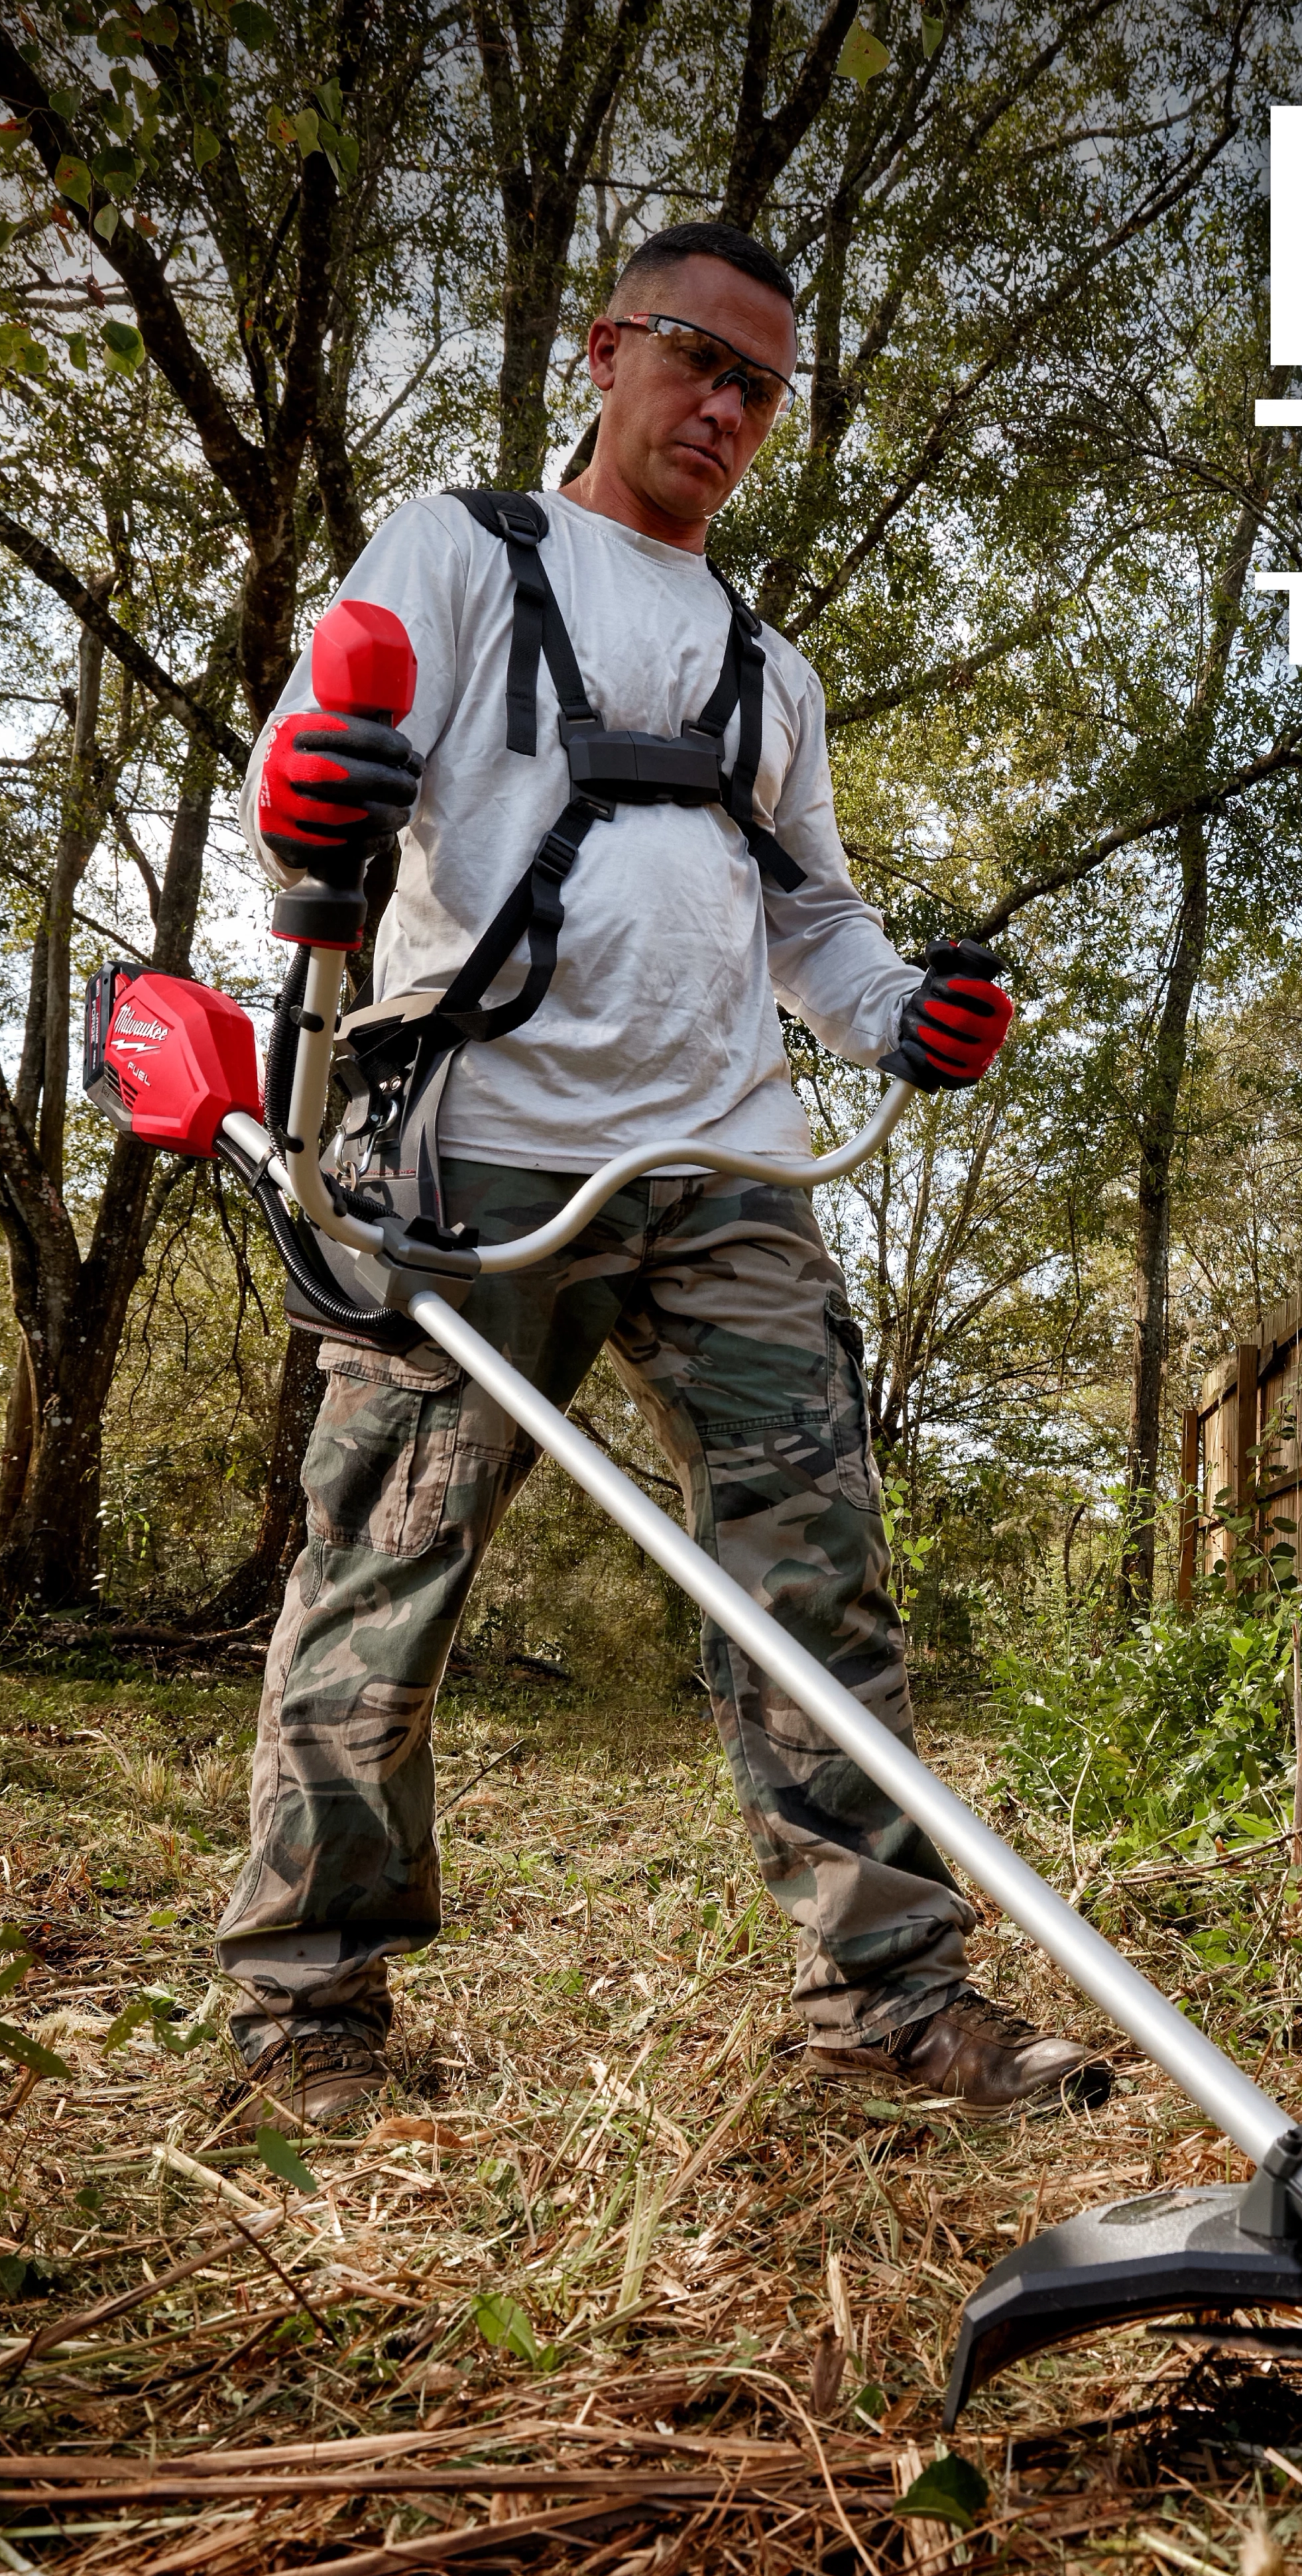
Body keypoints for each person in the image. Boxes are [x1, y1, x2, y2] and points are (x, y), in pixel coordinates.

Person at [219, 219, 1108, 2131]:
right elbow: (319, 762)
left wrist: (909, 1018)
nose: (722, 405)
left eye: (759, 387)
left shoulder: (764, 667)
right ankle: (305, 2018)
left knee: (820, 1583)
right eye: (696, 360)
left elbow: (825, 932)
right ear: (610, 353)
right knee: (384, 1574)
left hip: (728, 1174)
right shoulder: (461, 551)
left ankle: (888, 2008)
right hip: (475, 1154)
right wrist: (306, 798)